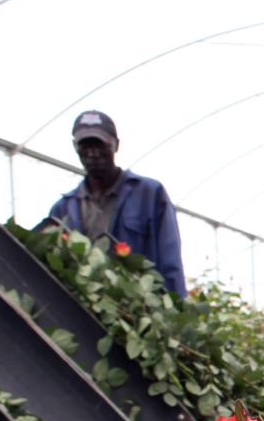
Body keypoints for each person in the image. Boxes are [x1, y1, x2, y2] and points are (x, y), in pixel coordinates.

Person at [48, 111, 186, 296]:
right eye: (85, 145)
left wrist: (175, 308)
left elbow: (170, 262)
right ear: (75, 147)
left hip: (140, 309)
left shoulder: (149, 194)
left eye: (100, 144)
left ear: (116, 145)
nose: (93, 153)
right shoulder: (63, 208)